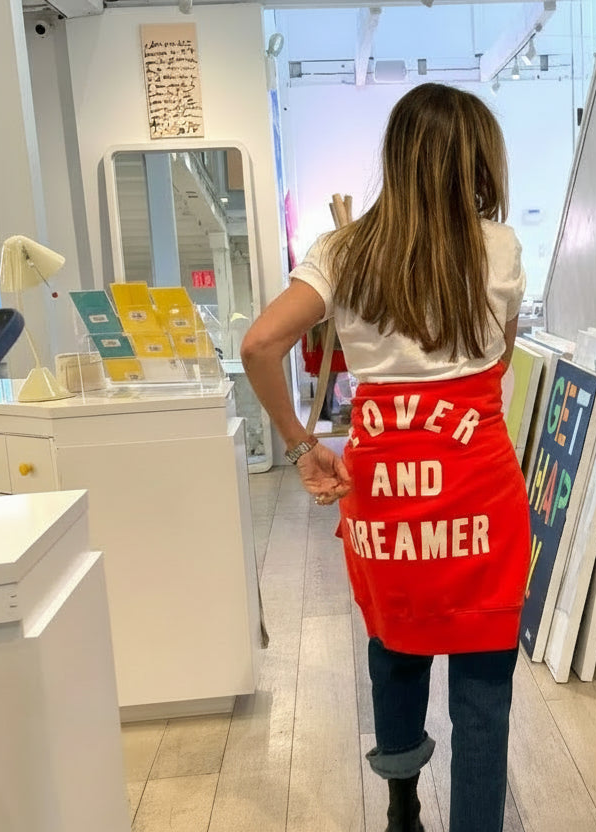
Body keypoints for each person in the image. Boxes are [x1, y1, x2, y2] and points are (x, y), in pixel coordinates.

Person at [241, 82, 531, 832]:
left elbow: (260, 344)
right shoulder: (498, 246)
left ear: (396, 157)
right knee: (483, 684)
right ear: (476, 158)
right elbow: (502, 353)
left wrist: (302, 444)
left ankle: (402, 806)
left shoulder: (341, 251)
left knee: (395, 641)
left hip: (386, 491)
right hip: (479, 491)